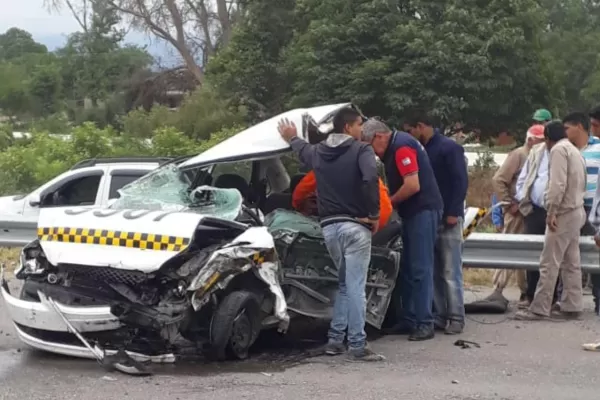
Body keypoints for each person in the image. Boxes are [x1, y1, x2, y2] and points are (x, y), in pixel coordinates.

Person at [277, 107, 384, 362]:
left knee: (346, 285)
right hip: (356, 227)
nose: (362, 130)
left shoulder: (319, 152)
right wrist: (374, 214)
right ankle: (358, 344)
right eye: (359, 125)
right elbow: (370, 178)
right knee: (357, 287)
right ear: (347, 127)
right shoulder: (362, 150)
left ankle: (335, 340)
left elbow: (303, 151)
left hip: (329, 229)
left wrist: (292, 136)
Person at [360, 119, 443, 341]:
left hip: (422, 211)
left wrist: (389, 202)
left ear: (379, 137)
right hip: (412, 212)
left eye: (369, 145)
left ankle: (425, 322)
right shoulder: (395, 146)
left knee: (420, 267)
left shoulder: (402, 147)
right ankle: (409, 318)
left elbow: (412, 185)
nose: (372, 153)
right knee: (406, 266)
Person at [404, 113, 468, 335]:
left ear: (420, 125)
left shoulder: (449, 148)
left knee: (451, 270)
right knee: (434, 270)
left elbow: (460, 181)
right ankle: (440, 314)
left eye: (411, 130)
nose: (410, 136)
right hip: (430, 216)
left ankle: (456, 316)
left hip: (448, 216)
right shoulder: (422, 150)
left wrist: (453, 211)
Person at [515, 121, 586, 320]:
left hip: (563, 212)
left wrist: (551, 211)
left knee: (549, 262)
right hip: (577, 210)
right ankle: (572, 305)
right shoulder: (574, 150)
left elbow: (557, 185)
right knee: (571, 262)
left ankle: (540, 307)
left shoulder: (557, 151)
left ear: (547, 138)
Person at [489, 125, 544, 305]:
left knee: (526, 252)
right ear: (530, 140)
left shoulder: (541, 155)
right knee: (509, 249)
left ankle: (525, 291)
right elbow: (499, 179)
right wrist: (508, 203)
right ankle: (497, 289)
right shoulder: (519, 155)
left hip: (531, 211)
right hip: (516, 212)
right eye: (541, 140)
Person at [291, 169, 394, 232]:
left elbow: (299, 194)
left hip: (368, 222)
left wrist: (297, 209)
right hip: (385, 214)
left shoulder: (325, 166)